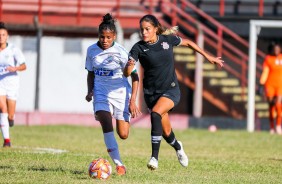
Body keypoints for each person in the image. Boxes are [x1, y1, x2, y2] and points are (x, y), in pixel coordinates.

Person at [124, 14, 224, 170]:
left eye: (147, 29)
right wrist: (129, 66)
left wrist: (209, 57)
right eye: (141, 29)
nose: (143, 32)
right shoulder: (138, 48)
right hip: (151, 94)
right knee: (166, 132)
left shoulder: (166, 40)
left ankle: (154, 158)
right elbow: (128, 73)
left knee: (155, 113)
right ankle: (178, 147)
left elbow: (189, 43)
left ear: (156, 29)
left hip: (171, 89)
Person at [85, 13, 141, 176]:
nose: (105, 40)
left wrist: (132, 101)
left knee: (123, 134)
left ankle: (118, 157)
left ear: (114, 37)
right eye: (102, 37)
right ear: (98, 36)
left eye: (108, 37)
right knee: (106, 124)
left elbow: (135, 76)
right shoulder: (91, 51)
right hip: (101, 93)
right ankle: (119, 164)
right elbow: (91, 73)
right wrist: (90, 91)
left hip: (120, 94)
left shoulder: (121, 52)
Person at [0, 22, 27, 147]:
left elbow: (24, 66)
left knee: (10, 114)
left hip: (12, 83)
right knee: (2, 109)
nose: (1, 37)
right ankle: (7, 141)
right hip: (0, 82)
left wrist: (15, 68)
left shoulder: (13, 49)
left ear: (7, 36)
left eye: (3, 35)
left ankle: (10, 119)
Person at [259, 42, 282, 135]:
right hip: (270, 85)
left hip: (280, 84)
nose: (276, 51)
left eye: (278, 49)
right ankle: (271, 127)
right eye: (275, 49)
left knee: (278, 104)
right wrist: (261, 83)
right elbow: (265, 72)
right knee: (271, 105)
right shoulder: (268, 59)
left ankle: (278, 126)